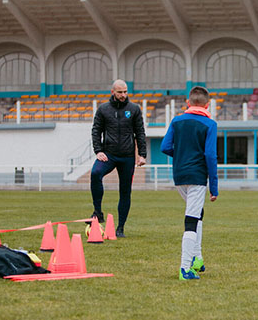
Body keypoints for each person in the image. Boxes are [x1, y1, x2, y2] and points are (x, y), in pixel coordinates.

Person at [161, 86, 219, 280]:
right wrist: (214, 186)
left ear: (188, 102)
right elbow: (210, 155)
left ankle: (197, 259)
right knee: (191, 221)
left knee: (197, 213)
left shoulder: (177, 121)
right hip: (197, 177)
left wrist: (181, 156)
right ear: (207, 104)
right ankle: (185, 268)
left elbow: (165, 146)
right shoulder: (210, 124)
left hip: (179, 176)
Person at [90, 79, 147, 237]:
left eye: (125, 92)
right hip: (109, 154)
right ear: (113, 92)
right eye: (120, 92)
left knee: (125, 192)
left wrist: (142, 154)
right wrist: (98, 151)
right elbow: (96, 131)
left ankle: (120, 227)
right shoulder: (103, 109)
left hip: (127, 157)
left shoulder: (134, 109)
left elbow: (140, 132)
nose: (123, 95)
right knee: (95, 174)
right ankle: (97, 211)